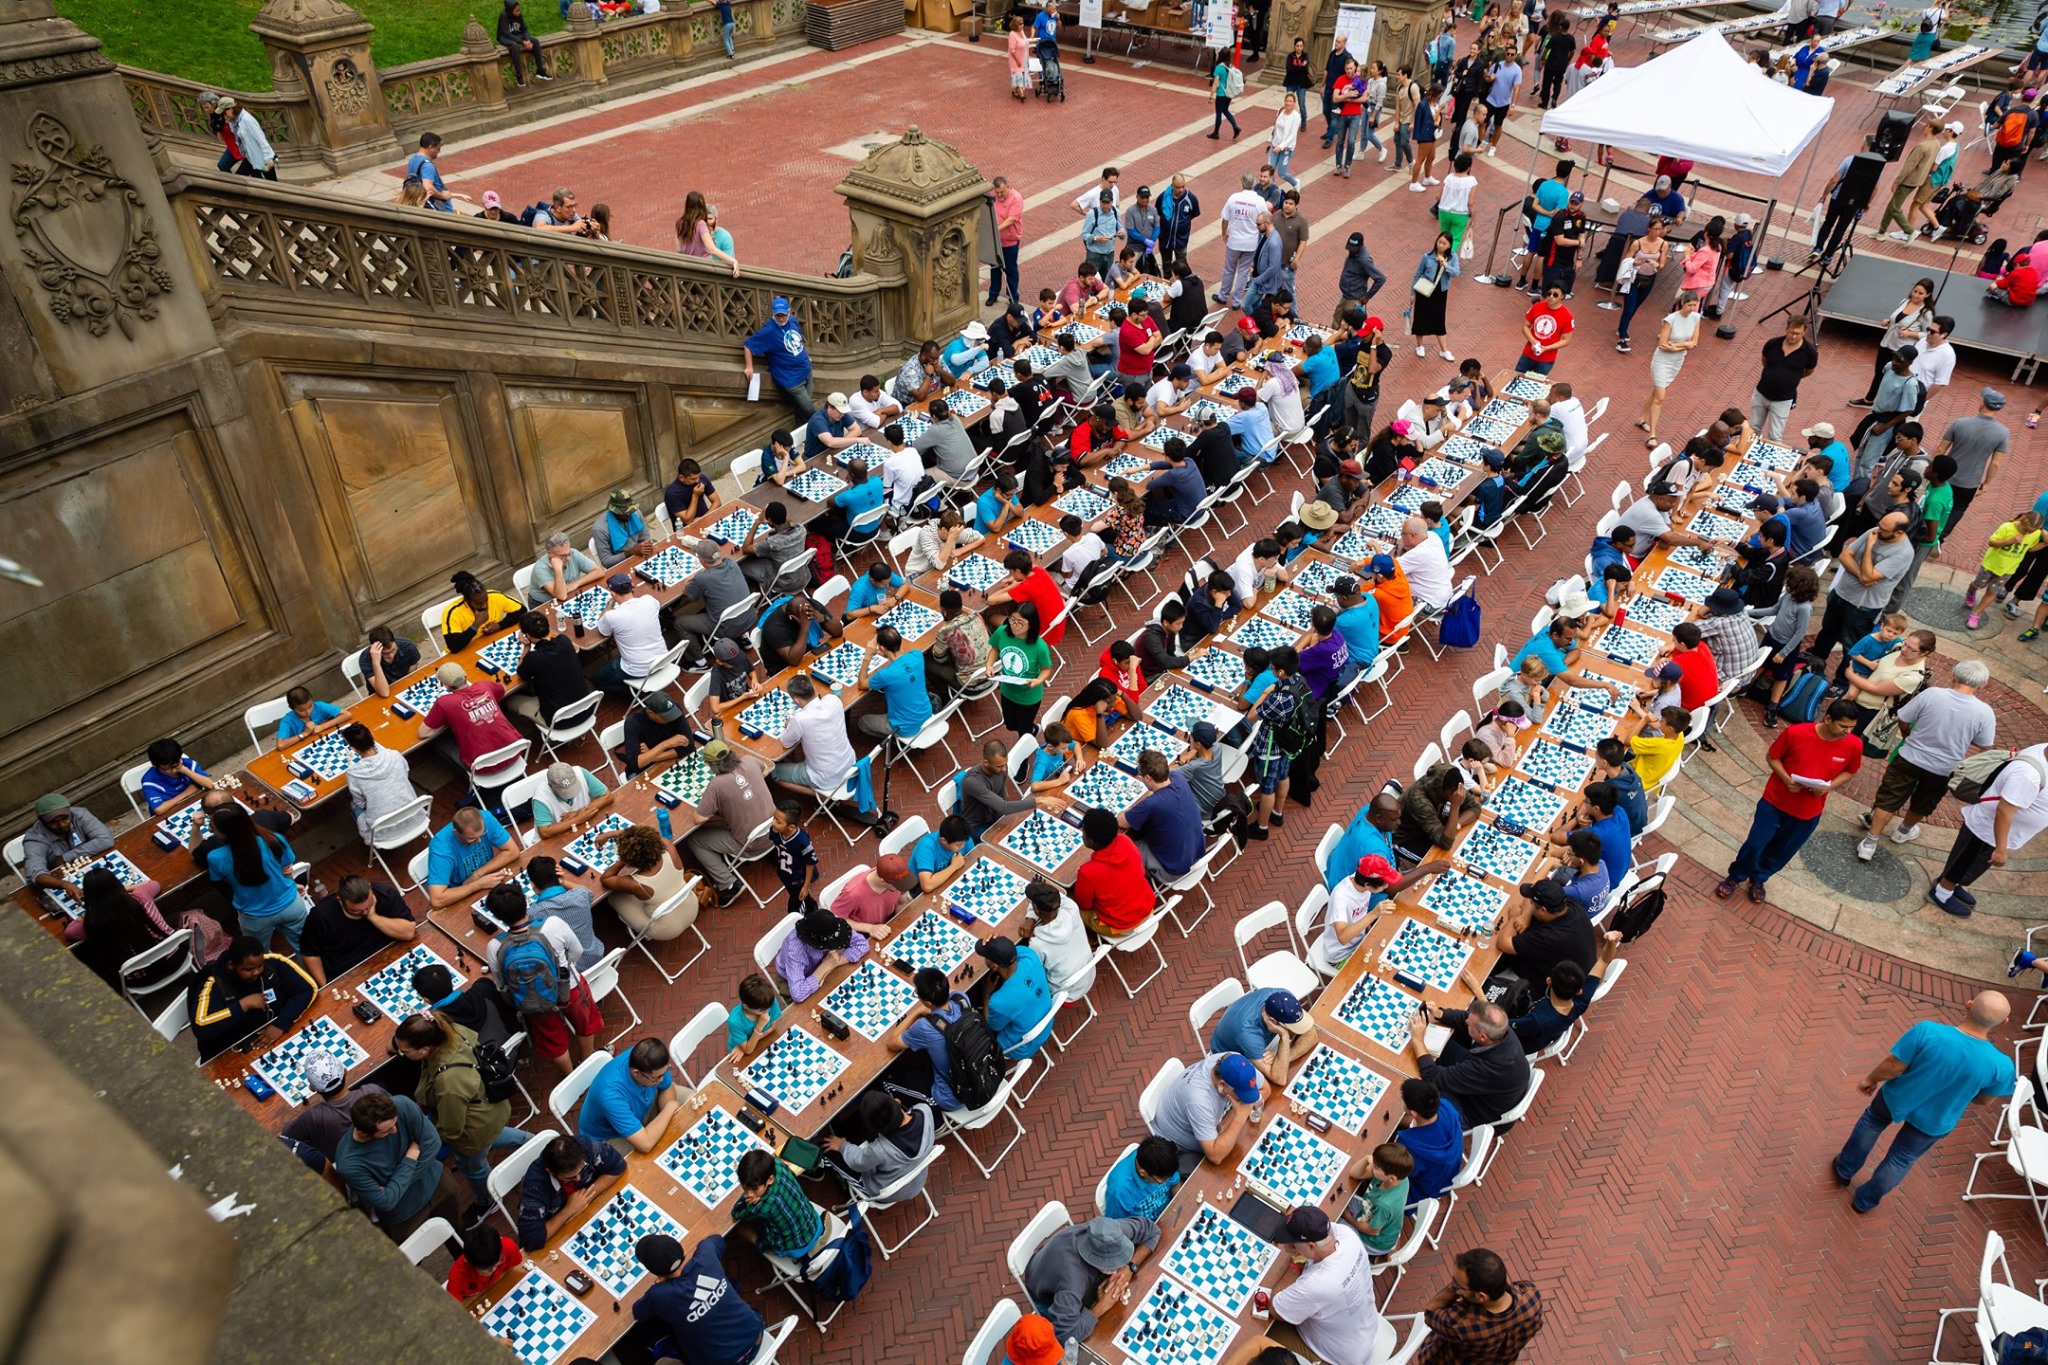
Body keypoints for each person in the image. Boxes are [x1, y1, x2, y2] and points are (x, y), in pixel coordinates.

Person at [1835, 991, 2015, 1211]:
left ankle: (1844, 1170)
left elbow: (1894, 1065)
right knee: (1901, 1158)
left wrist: (1870, 1079)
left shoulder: (1927, 1031)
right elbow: (1984, 1100)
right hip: (1937, 1119)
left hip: (1897, 1097)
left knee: (1872, 1123)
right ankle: (1865, 1201)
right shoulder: (2002, 1066)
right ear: (2004, 1022)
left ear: (1968, 1005)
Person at [1715, 699, 1864, 903]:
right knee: (1755, 844)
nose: (1848, 731)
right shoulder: (1797, 733)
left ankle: (1758, 879)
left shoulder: (1854, 745)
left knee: (1782, 851)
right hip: (1775, 801)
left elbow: (1850, 771)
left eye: (1852, 727)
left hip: (1808, 811)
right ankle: (1736, 876)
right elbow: (1772, 757)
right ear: (1828, 719)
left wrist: (1829, 786)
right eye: (1843, 726)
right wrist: (1786, 779)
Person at [390, 1013, 528, 1210]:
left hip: (472, 1132)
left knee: (474, 1169)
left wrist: (425, 1136)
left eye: (405, 1051)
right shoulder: (449, 1029)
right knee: (494, 1134)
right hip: (490, 1109)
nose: (402, 1054)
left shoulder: (448, 1081)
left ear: (424, 1050)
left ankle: (488, 1201)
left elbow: (452, 1129)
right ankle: (534, 1142)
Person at [483, 883, 602, 1076]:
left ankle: (571, 1076)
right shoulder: (553, 923)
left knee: (554, 1041)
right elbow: (577, 951)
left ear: (497, 916)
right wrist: (563, 968)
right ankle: (588, 1060)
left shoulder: (495, 945)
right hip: (569, 987)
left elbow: (500, 981)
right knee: (585, 1023)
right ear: (525, 903)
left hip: (533, 999)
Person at [1930, 742, 2048, 915]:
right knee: (1966, 861)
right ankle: (1941, 893)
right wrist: (2001, 849)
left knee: (1968, 863)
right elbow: (2004, 811)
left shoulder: (2043, 749)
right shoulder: (2028, 775)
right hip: (1988, 828)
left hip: (1992, 829)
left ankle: (1951, 883)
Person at [1025, 1214, 1162, 1346]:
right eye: (1114, 1264)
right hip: (1042, 1289)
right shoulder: (1073, 1282)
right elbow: (1066, 1336)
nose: (1118, 1268)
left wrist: (1130, 1266)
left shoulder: (1114, 1233)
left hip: (1056, 1253)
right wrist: (1102, 1306)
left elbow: (1152, 1230)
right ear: (1096, 1261)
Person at [1810, 513, 1916, 684]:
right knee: (1827, 630)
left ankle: (1841, 682)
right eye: (1880, 524)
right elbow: (1845, 556)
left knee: (1852, 646)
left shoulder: (1903, 553)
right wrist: (1862, 575)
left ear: (1898, 533)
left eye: (1884, 529)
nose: (1878, 529)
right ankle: (1815, 661)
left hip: (1864, 606)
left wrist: (1868, 548)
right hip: (1841, 594)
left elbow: (1869, 577)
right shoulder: (1875, 531)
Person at [630, 1233, 766, 1365]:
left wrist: (664, 1283)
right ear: (681, 1250)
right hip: (757, 1334)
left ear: (656, 1273)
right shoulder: (706, 1254)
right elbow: (717, 1239)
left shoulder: (658, 1295)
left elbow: (638, 1312)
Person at [1271, 1206, 1379, 1363]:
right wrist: (1298, 1219)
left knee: (1260, 1334)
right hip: (1366, 1334)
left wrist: (1296, 1263)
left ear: (1311, 1247)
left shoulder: (1316, 1284)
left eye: (1293, 1244)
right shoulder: (1348, 1235)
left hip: (1340, 1359)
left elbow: (1275, 1308)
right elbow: (1320, 1229)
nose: (1289, 1247)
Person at [335, 1091, 450, 1232]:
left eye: (395, 1123)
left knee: (460, 1235)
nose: (395, 1130)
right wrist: (410, 1158)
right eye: (387, 1130)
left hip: (439, 1183)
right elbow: (386, 1202)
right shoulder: (349, 1164)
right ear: (363, 1133)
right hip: (404, 1215)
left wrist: (393, 1188)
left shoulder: (402, 1104)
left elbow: (433, 1144)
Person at [188, 934, 316, 1059]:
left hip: (277, 1039)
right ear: (231, 966)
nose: (257, 972)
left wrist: (280, 1024)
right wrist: (243, 1005)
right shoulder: (213, 985)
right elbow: (201, 1027)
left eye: (260, 966)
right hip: (237, 1053)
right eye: (249, 970)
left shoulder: (273, 963)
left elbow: (308, 989)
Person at [1408, 997, 1530, 1128]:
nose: (1466, 1021)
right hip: (1486, 1089)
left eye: (1469, 1024)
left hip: (1472, 1111)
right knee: (1444, 1046)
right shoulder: (1501, 1030)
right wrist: (1440, 1013)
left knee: (1418, 1093)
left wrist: (1417, 1040)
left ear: (1483, 1037)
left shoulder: (1487, 1067)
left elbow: (1433, 1077)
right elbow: (1467, 1017)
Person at [204, 803, 309, 950]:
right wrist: (292, 884)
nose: (212, 831)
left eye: (213, 828)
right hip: (291, 904)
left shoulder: (215, 857)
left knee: (259, 956)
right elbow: (286, 870)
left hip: (254, 917)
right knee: (305, 948)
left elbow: (223, 882)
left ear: (224, 832)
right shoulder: (273, 839)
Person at [1416, 1249, 1546, 1360]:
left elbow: (1430, 1312)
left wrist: (1452, 1289)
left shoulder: (1460, 1323)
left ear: (1481, 1296)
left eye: (1457, 1284)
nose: (1454, 1286)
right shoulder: (1531, 1296)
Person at [418, 662, 525, 794]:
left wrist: (450, 721)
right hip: (515, 752)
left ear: (445, 685)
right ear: (465, 675)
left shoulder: (444, 702)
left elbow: (423, 733)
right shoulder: (484, 686)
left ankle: (470, 783)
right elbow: (501, 691)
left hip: (482, 768)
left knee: (440, 741)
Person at [1150, 1051, 1264, 1171]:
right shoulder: (1199, 1100)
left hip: (1209, 1128)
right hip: (1178, 1148)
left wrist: (1231, 1116)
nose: (1244, 1100)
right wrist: (1240, 1117)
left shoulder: (1235, 1064)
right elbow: (1215, 1157)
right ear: (1223, 1085)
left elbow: (1265, 1089)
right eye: (1240, 1094)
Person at [821, 1090, 936, 1203]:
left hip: (884, 1192)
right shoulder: (924, 1110)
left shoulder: (880, 1150)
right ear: (897, 1101)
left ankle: (824, 1175)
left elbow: (858, 1163)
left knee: (829, 1153)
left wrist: (842, 1145)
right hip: (918, 1180)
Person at [299, 876, 415, 986]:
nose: (365, 912)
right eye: (356, 911)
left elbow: (408, 932)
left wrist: (373, 916)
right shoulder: (321, 915)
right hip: (349, 971)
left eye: (369, 906)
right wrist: (325, 985)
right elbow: (310, 953)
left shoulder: (384, 893)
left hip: (390, 954)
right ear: (340, 900)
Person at [578, 1038, 681, 1154]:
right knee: (658, 1154)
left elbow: (667, 1088)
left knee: (690, 1108)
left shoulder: (649, 1058)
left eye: (665, 1072)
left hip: (641, 1109)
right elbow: (645, 1144)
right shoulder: (610, 1096)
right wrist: (669, 1108)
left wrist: (670, 1121)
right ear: (636, 1073)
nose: (661, 1079)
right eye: (657, 1078)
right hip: (610, 1136)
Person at [1208, 986, 1319, 1086]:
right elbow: (1279, 1078)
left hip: (1263, 1041)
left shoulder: (1283, 997)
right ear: (1272, 1021)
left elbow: (1312, 1035)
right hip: (1231, 1057)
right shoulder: (1247, 1033)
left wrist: (1283, 1058)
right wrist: (1284, 1036)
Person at [1072, 807, 1155, 936]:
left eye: (1084, 832)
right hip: (1147, 907)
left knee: (1070, 905)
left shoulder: (1087, 872)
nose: (1082, 833)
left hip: (1121, 926)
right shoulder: (1125, 840)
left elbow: (1084, 905)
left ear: (1090, 841)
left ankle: (1090, 940)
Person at [731, 1150, 825, 1261]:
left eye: (754, 1188)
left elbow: (736, 1213)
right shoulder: (778, 1165)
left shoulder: (761, 1207)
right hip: (814, 1222)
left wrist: (746, 1201)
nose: (749, 1194)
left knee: (740, 1228)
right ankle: (819, 1238)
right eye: (745, 1188)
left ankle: (805, 1256)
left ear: (770, 1180)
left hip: (795, 1246)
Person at [772, 678, 857, 798]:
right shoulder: (833, 700)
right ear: (814, 688)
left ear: (796, 700)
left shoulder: (800, 719)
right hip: (850, 765)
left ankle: (821, 796)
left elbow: (786, 743)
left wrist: (789, 725)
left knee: (774, 773)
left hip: (824, 779)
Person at [425, 805, 519, 911]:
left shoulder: (485, 818)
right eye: (471, 839)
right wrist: (478, 884)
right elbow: (437, 901)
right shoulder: (441, 849)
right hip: (459, 895)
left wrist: (478, 874)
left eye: (482, 834)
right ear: (456, 832)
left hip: (487, 881)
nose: (479, 840)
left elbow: (513, 851)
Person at [775, 904, 869, 1002]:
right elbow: (798, 994)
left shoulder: (830, 922)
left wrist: (835, 962)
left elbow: (862, 944)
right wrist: (824, 967)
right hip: (792, 980)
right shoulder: (794, 950)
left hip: (828, 967)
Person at [742, 295, 813, 421]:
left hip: (806, 370)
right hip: (791, 379)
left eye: (783, 315)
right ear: (773, 314)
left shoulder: (792, 320)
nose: (780, 318)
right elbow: (748, 346)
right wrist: (749, 367)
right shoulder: (768, 331)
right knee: (809, 410)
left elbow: (799, 339)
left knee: (801, 410)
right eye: (777, 315)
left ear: (789, 312)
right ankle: (825, 433)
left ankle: (803, 435)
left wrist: (805, 355)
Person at [1751, 316, 1819, 441]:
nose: (1794, 336)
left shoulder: (1810, 352)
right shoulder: (1773, 343)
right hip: (1761, 393)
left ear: (1804, 332)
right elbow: (1764, 361)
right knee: (1753, 429)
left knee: (1775, 436)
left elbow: (1809, 371)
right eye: (1791, 333)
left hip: (1783, 400)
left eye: (1798, 334)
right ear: (1786, 329)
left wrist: (1791, 378)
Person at [1101, 1136, 1183, 1222]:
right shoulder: (1120, 1192)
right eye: (1162, 1179)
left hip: (1169, 1214)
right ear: (1142, 1173)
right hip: (1145, 1230)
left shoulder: (1162, 1161)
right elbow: (1119, 1228)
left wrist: (1179, 1205)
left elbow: (1175, 1184)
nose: (1168, 1180)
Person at [1410, 230, 1459, 361]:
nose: (1441, 245)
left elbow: (1456, 273)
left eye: (1444, 243)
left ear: (1449, 245)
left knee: (1439, 320)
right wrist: (1412, 292)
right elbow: (1417, 274)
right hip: (1424, 291)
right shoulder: (1427, 257)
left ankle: (1444, 350)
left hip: (1440, 292)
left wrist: (1445, 265)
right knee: (1420, 317)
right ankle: (1419, 346)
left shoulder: (1453, 257)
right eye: (1439, 242)